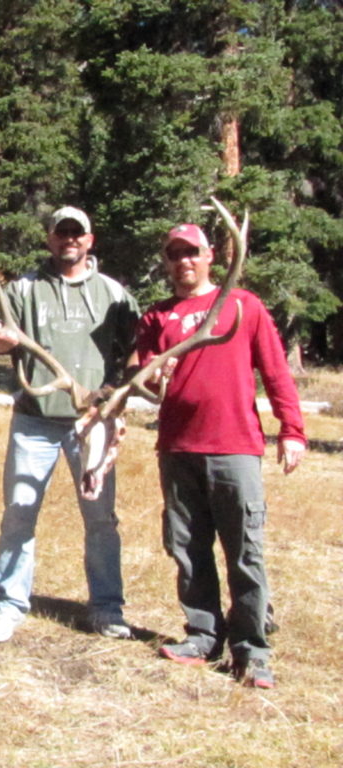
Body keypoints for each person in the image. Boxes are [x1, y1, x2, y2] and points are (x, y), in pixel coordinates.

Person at [137, 223, 305, 689]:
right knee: (187, 549)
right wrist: (156, 373)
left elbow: (275, 371)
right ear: (167, 261)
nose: (184, 261)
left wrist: (292, 430)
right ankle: (203, 636)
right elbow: (145, 375)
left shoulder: (242, 304)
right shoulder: (157, 316)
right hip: (177, 448)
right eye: (174, 254)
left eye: (191, 251)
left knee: (244, 551)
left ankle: (251, 650)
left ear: (210, 254)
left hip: (234, 447)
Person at [0, 206, 139, 643]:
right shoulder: (24, 289)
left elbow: (137, 347)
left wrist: (119, 392)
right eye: (61, 232)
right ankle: (9, 604)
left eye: (77, 232)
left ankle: (107, 608)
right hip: (34, 422)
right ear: (49, 238)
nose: (69, 238)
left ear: (90, 240)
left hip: (93, 423)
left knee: (101, 518)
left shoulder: (113, 293)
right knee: (19, 513)